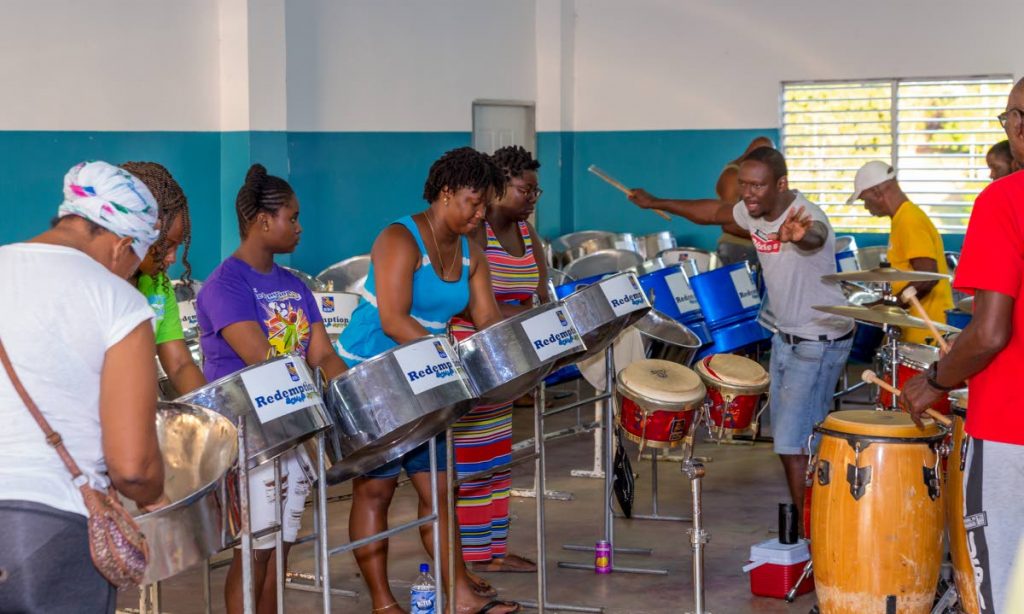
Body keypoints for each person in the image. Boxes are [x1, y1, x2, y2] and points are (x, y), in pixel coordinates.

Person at [628, 147, 853, 530]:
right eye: (744, 184)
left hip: (817, 341)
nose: (748, 193)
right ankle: (818, 523)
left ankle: (817, 535)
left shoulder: (806, 217)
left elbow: (814, 237)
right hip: (788, 337)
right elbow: (713, 211)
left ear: (781, 184)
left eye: (757, 186)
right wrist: (655, 203)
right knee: (796, 440)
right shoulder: (753, 212)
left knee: (792, 443)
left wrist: (799, 236)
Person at [336, 147, 519, 614]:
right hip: (373, 371)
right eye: (473, 204)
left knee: (438, 488)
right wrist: (447, 358)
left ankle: (458, 595)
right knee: (375, 488)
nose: (480, 215)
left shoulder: (472, 253)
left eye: (486, 206)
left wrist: (519, 354)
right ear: (445, 193)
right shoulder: (400, 238)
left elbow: (488, 320)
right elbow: (395, 319)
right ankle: (382, 601)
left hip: (427, 374)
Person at [0, 161, 165, 612]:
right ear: (123, 245)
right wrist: (157, 498)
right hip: (44, 531)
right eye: (136, 262)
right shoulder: (117, 301)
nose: (132, 273)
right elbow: (131, 466)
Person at [196, 164, 347, 614]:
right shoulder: (226, 285)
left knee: (281, 545)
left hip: (293, 433)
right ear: (264, 220)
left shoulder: (295, 286)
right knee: (253, 550)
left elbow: (321, 354)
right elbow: (259, 357)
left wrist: (353, 394)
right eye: (292, 217)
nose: (299, 227)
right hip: (250, 436)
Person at [901, 77, 1024, 614]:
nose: (1010, 126)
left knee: (1004, 586)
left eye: (1010, 116)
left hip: (1009, 430)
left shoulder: (1005, 200)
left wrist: (933, 380)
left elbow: (991, 332)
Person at [449, 145, 548, 575]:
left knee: (498, 453)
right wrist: (529, 318)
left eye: (535, 192)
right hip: (475, 349)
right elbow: (473, 305)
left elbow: (539, 294)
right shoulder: (474, 235)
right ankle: (470, 558)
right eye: (525, 190)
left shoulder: (530, 237)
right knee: (472, 455)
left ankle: (494, 548)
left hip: (510, 354)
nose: (531, 199)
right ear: (500, 188)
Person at [121, 161, 206, 396]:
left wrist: (214, 417)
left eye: (177, 246)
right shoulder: (97, 285)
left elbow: (180, 365)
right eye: (166, 246)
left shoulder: (158, 286)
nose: (172, 258)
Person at [847, 160, 954, 345]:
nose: (865, 207)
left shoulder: (909, 220)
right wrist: (880, 306)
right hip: (918, 328)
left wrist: (889, 309)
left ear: (877, 192)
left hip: (928, 331)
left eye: (864, 200)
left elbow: (928, 277)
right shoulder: (902, 218)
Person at [714, 136, 775, 265]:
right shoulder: (732, 175)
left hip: (756, 248)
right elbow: (728, 224)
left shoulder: (753, 174)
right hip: (738, 248)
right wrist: (767, 239)